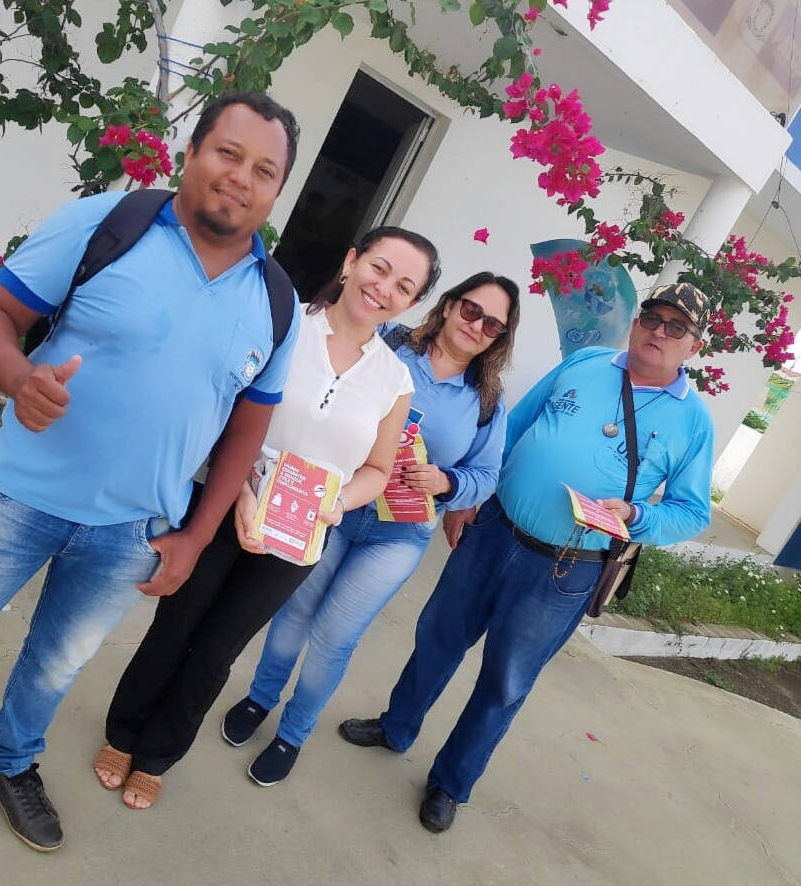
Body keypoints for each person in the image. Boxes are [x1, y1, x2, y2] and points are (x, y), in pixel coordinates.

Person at [0, 91, 302, 852]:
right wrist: (21, 379)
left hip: (132, 530)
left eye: (264, 169)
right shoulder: (107, 225)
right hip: (17, 498)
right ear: (192, 152)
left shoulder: (276, 302)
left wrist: (195, 538)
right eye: (228, 153)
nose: (241, 178)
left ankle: (9, 762)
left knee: (56, 666)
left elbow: (246, 431)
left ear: (277, 188)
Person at [338, 281, 715, 833]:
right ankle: (396, 726)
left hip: (566, 567)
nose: (659, 331)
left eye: (676, 327)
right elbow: (512, 429)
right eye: (653, 318)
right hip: (495, 528)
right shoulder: (586, 363)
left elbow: (691, 512)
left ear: (695, 346)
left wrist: (638, 516)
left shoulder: (693, 421)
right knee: (438, 635)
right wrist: (472, 497)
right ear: (636, 322)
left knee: (505, 680)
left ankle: (450, 783)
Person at [96, 226, 441, 809]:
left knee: (218, 650)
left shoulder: (395, 379)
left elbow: (379, 469)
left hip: (298, 535)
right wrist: (241, 492)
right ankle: (123, 735)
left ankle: (157, 755)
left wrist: (335, 504)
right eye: (379, 268)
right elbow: (225, 411)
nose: (384, 289)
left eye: (404, 287)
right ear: (351, 260)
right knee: (175, 627)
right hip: (222, 501)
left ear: (412, 303)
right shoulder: (284, 324)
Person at [220, 271, 521, 786]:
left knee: (335, 637)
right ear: (449, 305)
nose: (477, 326)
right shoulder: (390, 344)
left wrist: (448, 482)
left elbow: (487, 475)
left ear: (500, 338)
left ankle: (293, 732)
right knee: (295, 610)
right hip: (332, 508)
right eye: (472, 310)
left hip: (398, 535)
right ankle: (260, 698)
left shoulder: (486, 399)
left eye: (493, 325)